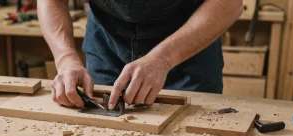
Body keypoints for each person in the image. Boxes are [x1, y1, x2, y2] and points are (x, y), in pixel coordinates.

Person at [38, 0, 243, 109]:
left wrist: (163, 58)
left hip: (187, 49)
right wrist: (66, 60)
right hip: (107, 44)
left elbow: (229, 3)